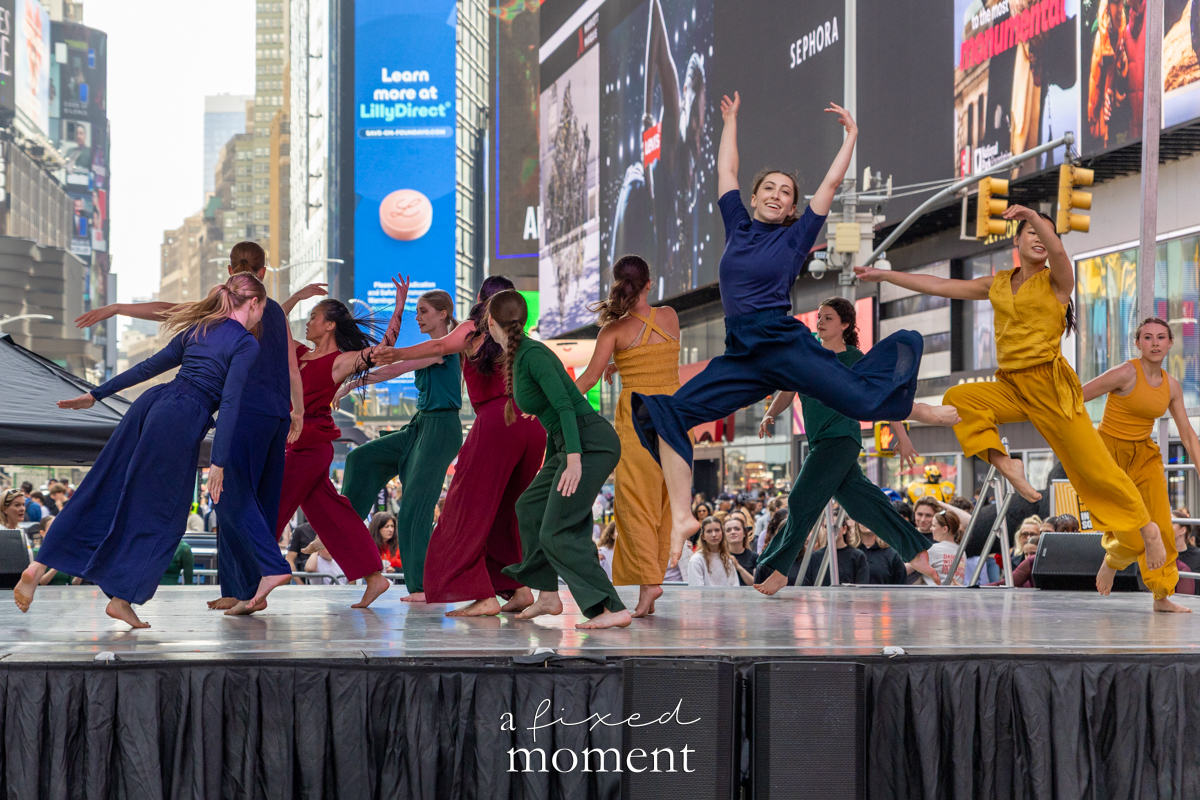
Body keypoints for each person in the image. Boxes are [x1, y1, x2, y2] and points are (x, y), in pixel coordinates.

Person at [629, 90, 957, 574]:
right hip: (742, 351)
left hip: (782, 343)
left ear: (790, 209)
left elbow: (829, 183)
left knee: (860, 400)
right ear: (756, 195)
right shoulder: (737, 224)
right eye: (770, 188)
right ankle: (681, 515)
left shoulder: (796, 234)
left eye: (786, 193)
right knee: (666, 412)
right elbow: (726, 173)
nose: (777, 195)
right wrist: (731, 120)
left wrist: (852, 137)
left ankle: (919, 407)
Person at [856, 205, 1165, 576]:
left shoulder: (1057, 281)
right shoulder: (998, 283)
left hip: (1051, 389)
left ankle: (1143, 531)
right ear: (1016, 240)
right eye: (1030, 232)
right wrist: (885, 276)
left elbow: (1061, 253)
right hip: (1012, 384)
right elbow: (938, 285)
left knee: (1095, 471)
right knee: (959, 399)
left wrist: (1035, 217)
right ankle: (1008, 465)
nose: (1038, 237)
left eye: (1045, 233)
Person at [15, 273, 267, 627]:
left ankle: (38, 567)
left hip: (152, 405)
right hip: (181, 419)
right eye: (263, 309)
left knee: (104, 486)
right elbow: (230, 401)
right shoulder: (245, 343)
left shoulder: (199, 329)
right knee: (165, 515)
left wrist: (96, 394)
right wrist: (219, 463)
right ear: (254, 303)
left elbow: (148, 368)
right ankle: (121, 596)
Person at [74, 242, 312, 616]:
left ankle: (266, 573)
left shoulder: (223, 310)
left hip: (244, 415)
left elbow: (168, 311)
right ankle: (245, 591)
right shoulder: (275, 311)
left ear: (230, 269)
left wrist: (119, 308)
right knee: (257, 501)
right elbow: (292, 367)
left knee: (231, 497)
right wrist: (297, 411)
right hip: (277, 415)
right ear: (264, 274)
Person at [367, 276, 544, 618]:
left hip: (497, 422)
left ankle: (483, 595)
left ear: (483, 300)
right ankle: (519, 589)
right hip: (532, 426)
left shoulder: (475, 327)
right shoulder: (519, 336)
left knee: (466, 510)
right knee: (504, 516)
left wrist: (396, 352)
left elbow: (436, 349)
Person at [754, 297, 938, 595]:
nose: (821, 322)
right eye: (820, 317)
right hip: (821, 441)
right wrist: (770, 413)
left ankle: (779, 570)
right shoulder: (808, 354)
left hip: (840, 438)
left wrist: (901, 435)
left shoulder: (855, 358)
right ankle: (916, 551)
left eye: (828, 318)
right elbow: (787, 391)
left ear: (845, 324)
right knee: (863, 504)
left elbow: (882, 396)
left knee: (801, 500)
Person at [486, 290, 630, 629]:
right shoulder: (520, 355)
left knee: (556, 532)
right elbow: (554, 416)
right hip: (568, 446)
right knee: (529, 507)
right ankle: (547, 595)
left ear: (491, 322)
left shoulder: (533, 354)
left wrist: (574, 460)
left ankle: (610, 608)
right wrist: (554, 463)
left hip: (590, 444)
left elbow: (567, 406)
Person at [337, 289, 464, 603]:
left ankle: (421, 587)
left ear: (443, 314)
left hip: (440, 429)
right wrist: (353, 384)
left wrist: (358, 377)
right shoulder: (429, 348)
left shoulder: (444, 347)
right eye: (416, 311)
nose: (417, 318)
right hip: (418, 425)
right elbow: (397, 367)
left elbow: (400, 363)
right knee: (361, 458)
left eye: (422, 312)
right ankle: (343, 526)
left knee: (412, 510)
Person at [574, 254, 682, 617]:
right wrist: (618, 362)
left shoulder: (613, 332)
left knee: (634, 503)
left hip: (638, 419)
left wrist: (554, 402)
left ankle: (650, 583)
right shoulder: (670, 317)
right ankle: (653, 578)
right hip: (677, 416)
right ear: (649, 284)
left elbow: (587, 379)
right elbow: (652, 354)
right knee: (667, 499)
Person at [274, 298, 395, 609]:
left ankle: (248, 584)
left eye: (313, 316)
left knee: (272, 510)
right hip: (297, 441)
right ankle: (374, 577)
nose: (308, 321)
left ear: (329, 325)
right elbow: (276, 319)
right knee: (332, 516)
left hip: (310, 445)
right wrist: (297, 296)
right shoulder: (300, 354)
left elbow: (383, 350)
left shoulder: (341, 361)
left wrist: (398, 308)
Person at [1082, 316, 1199, 612]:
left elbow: (1187, 433)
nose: (1155, 342)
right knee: (1134, 539)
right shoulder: (1125, 373)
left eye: (1161, 337)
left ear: (1170, 344)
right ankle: (1111, 561)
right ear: (1137, 344)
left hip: (1145, 456)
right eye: (1147, 337)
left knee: (1161, 527)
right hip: (1110, 457)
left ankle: (1161, 596)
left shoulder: (1171, 386)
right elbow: (1076, 396)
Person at [801, 520, 870, 586]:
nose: (830, 530)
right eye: (826, 526)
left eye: (835, 527)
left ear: (844, 529)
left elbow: (861, 586)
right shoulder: (815, 556)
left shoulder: (858, 556)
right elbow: (807, 586)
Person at [687, 517, 740, 587]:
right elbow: (697, 590)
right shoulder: (696, 560)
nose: (714, 535)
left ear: (722, 533)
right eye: (709, 531)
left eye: (717, 530)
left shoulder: (728, 559)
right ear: (703, 536)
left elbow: (735, 586)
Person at [925, 511, 967, 586]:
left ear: (944, 529)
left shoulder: (933, 549)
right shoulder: (962, 552)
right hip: (956, 596)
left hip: (935, 596)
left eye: (934, 526)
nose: (931, 528)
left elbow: (909, 568)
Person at [724, 512, 758, 585]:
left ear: (744, 533)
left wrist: (738, 567)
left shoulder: (754, 557)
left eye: (737, 529)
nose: (733, 532)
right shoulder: (721, 556)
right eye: (728, 530)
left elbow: (756, 584)